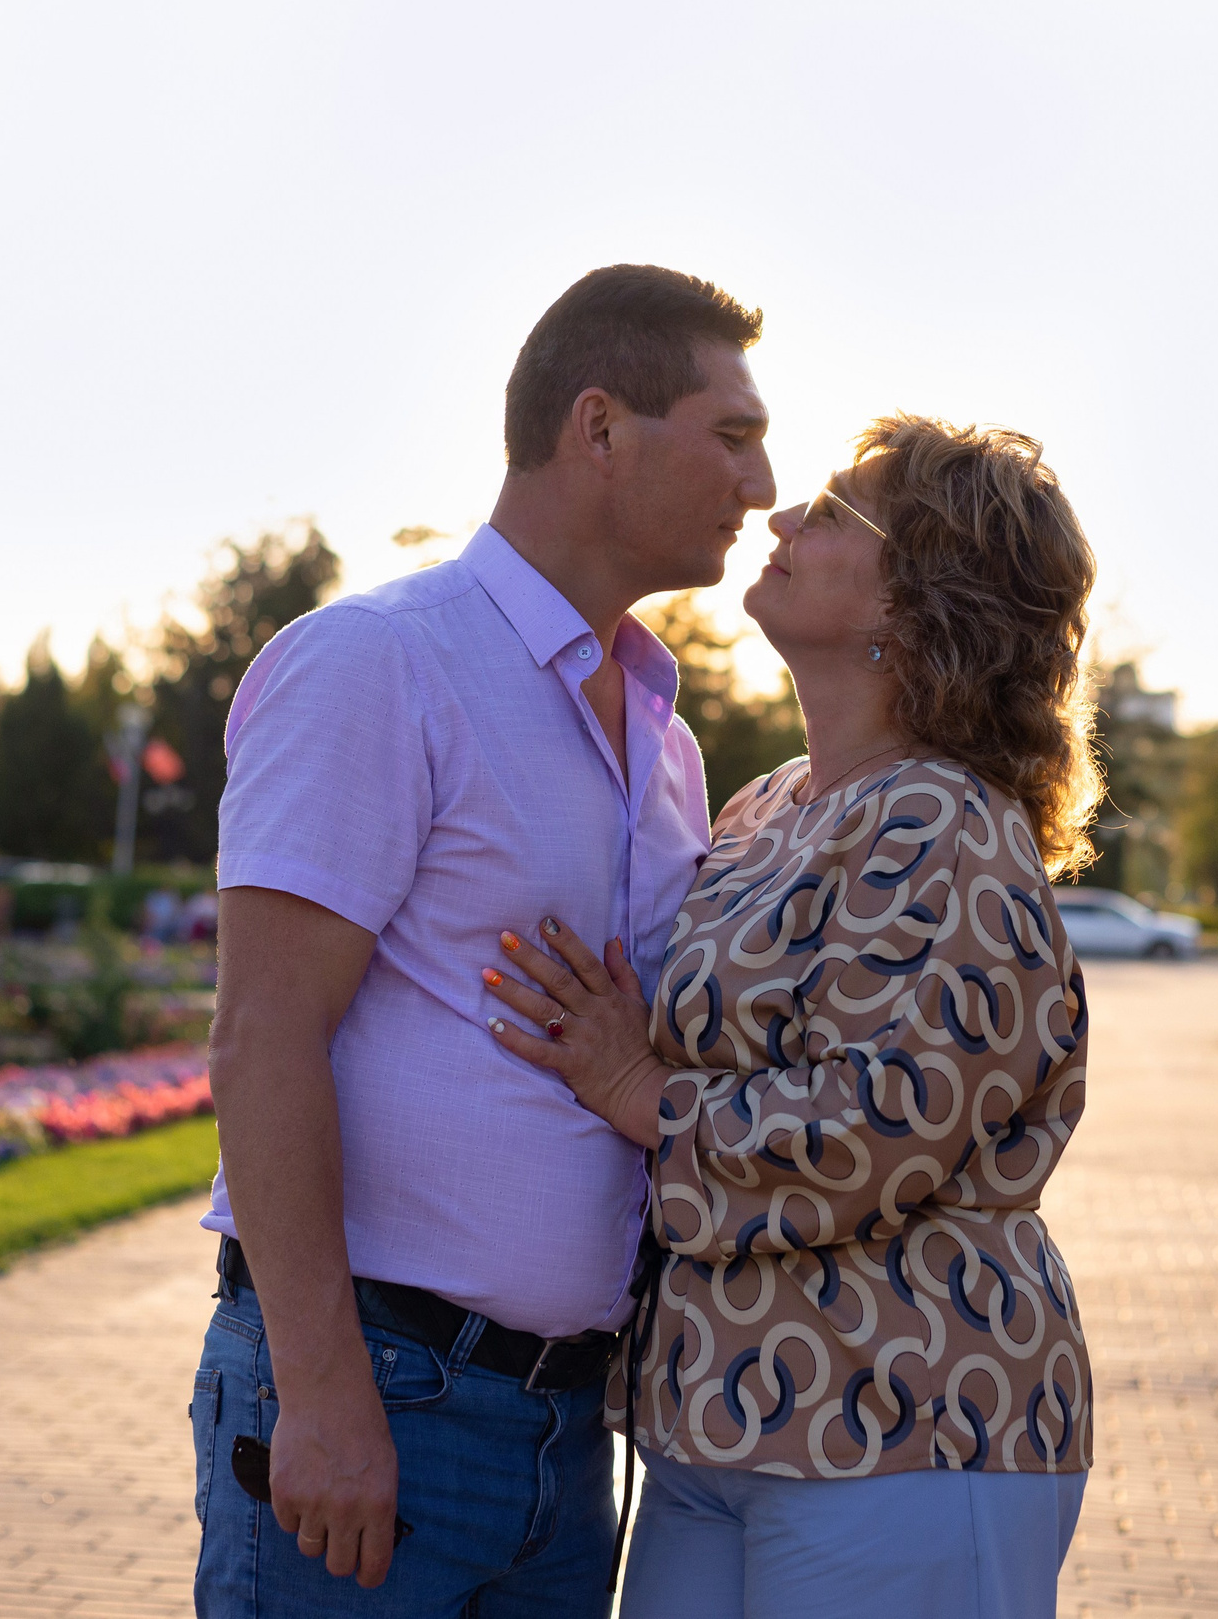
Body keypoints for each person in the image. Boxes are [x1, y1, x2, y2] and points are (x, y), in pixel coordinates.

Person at [193, 264, 775, 1616]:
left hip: (569, 1445)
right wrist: (329, 1401)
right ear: (600, 430)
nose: (761, 486)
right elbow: (261, 1031)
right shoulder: (378, 664)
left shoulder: (669, 749)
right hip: (380, 1404)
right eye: (732, 434)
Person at [485, 416, 1101, 1619]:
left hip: (909, 1417)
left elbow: (877, 1129)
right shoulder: (774, 802)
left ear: (919, 601)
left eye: (829, 511)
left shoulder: (947, 824)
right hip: (720, 1419)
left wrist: (635, 1093)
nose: (779, 518)